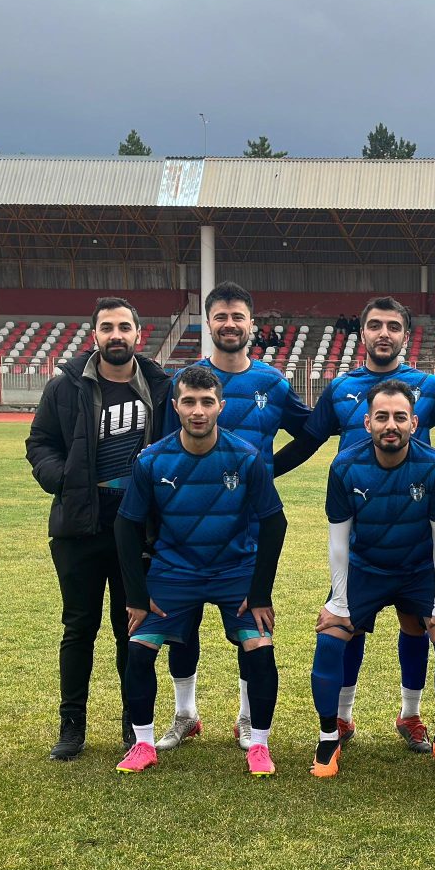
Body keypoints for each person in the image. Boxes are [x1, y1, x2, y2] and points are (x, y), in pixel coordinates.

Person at [283, 294, 435, 751]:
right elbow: (308, 441)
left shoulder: (428, 386)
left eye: (393, 326)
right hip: (360, 531)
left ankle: (411, 714)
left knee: (415, 623)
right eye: (376, 325)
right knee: (349, 624)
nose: (384, 333)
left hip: (415, 532)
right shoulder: (341, 387)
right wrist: (263, 470)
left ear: (406, 335)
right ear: (362, 333)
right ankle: (342, 718)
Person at [157, 281, 316, 753]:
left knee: (250, 621)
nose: (230, 325)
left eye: (237, 317)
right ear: (209, 323)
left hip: (248, 528)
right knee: (182, 625)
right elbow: (163, 449)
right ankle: (185, 713)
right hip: (187, 525)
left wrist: (269, 470)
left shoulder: (273, 383)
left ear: (251, 323)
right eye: (221, 317)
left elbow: (310, 432)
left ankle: (247, 718)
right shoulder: (186, 382)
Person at [112, 365, 286, 776]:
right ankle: (143, 743)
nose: (198, 411)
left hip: (234, 571)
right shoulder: (152, 460)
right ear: (176, 406)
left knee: (260, 650)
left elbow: (274, 522)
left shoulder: (246, 457)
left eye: (207, 402)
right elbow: (126, 525)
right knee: (138, 650)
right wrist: (136, 595)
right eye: (189, 401)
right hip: (174, 571)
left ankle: (259, 745)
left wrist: (260, 592)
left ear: (220, 406)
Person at [24, 297, 172, 761]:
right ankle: (72, 726)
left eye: (124, 327)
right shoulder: (66, 386)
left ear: (138, 335)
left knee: (132, 629)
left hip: (137, 527)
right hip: (81, 525)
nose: (116, 335)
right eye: (107, 327)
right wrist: (65, 480)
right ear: (95, 336)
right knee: (79, 627)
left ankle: (135, 724)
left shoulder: (160, 387)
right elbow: (39, 442)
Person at [312, 380, 435, 778]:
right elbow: (338, 542)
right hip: (365, 568)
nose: (391, 425)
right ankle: (329, 736)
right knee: (330, 636)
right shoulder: (344, 466)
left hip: (419, 570)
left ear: (414, 423)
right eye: (381, 417)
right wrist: (339, 601)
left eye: (400, 417)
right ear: (367, 423)